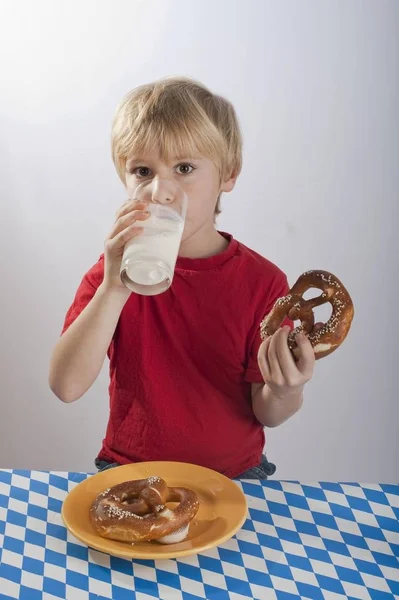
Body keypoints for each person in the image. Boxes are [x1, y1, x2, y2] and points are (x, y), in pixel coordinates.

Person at [49, 77, 318, 479]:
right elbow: (66, 387)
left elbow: (268, 412)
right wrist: (113, 288)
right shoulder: (109, 276)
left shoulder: (263, 283)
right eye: (142, 171)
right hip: (131, 471)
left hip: (233, 477)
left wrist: (285, 390)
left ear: (228, 174)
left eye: (184, 168)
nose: (160, 191)